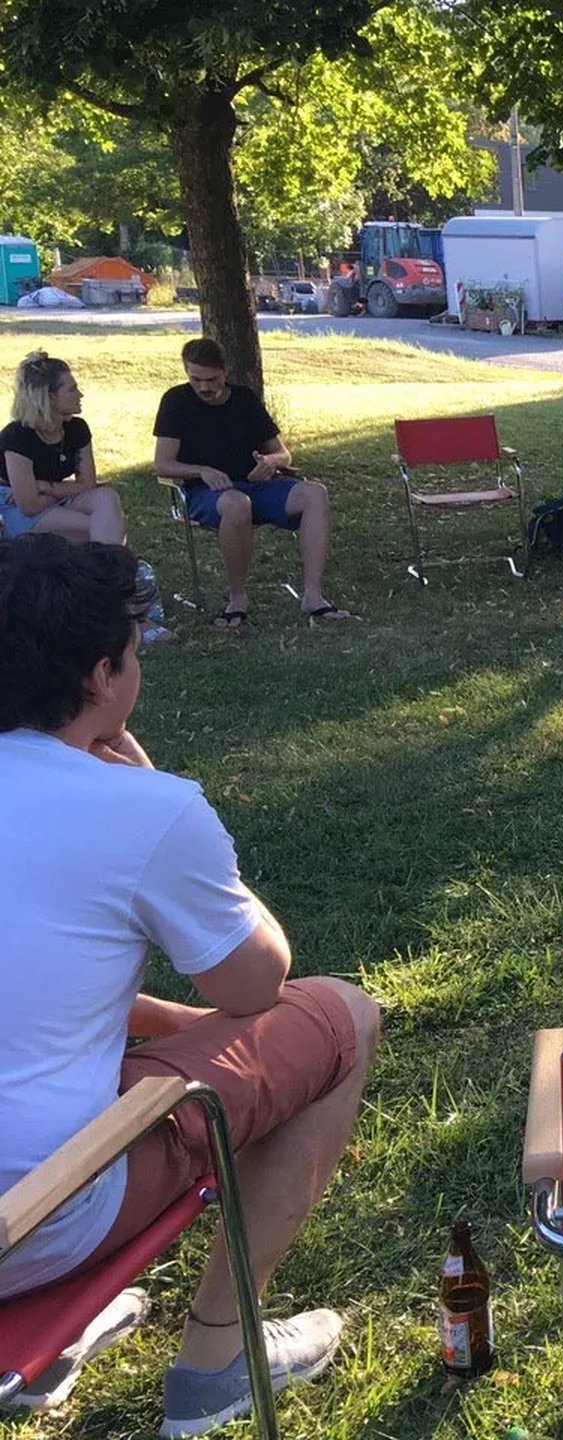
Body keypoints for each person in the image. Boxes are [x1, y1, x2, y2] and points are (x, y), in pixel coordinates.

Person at [0, 535, 381, 1435]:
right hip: (33, 1214)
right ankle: (217, 1362)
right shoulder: (143, 806)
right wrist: (157, 788)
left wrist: (173, 1022)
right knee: (343, 1016)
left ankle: (54, 1346)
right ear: (103, 675)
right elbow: (258, 985)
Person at [152, 338, 350, 634]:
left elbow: (284, 454)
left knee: (315, 493)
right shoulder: (176, 401)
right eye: (196, 379)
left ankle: (313, 595)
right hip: (206, 494)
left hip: (256, 485)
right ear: (186, 372)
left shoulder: (244, 399)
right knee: (236, 504)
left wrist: (271, 462)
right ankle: (237, 598)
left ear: (225, 371)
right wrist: (202, 471)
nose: (204, 387)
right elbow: (162, 465)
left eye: (212, 379)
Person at [1, 351, 126, 545]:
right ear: (49, 397)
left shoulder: (77, 428)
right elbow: (29, 506)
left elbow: (88, 484)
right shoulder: (18, 436)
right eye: (72, 389)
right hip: (14, 506)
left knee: (106, 497)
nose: (80, 394)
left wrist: (47, 488)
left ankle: (110, 568)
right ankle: (113, 569)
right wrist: (62, 491)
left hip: (51, 496)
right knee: (98, 526)